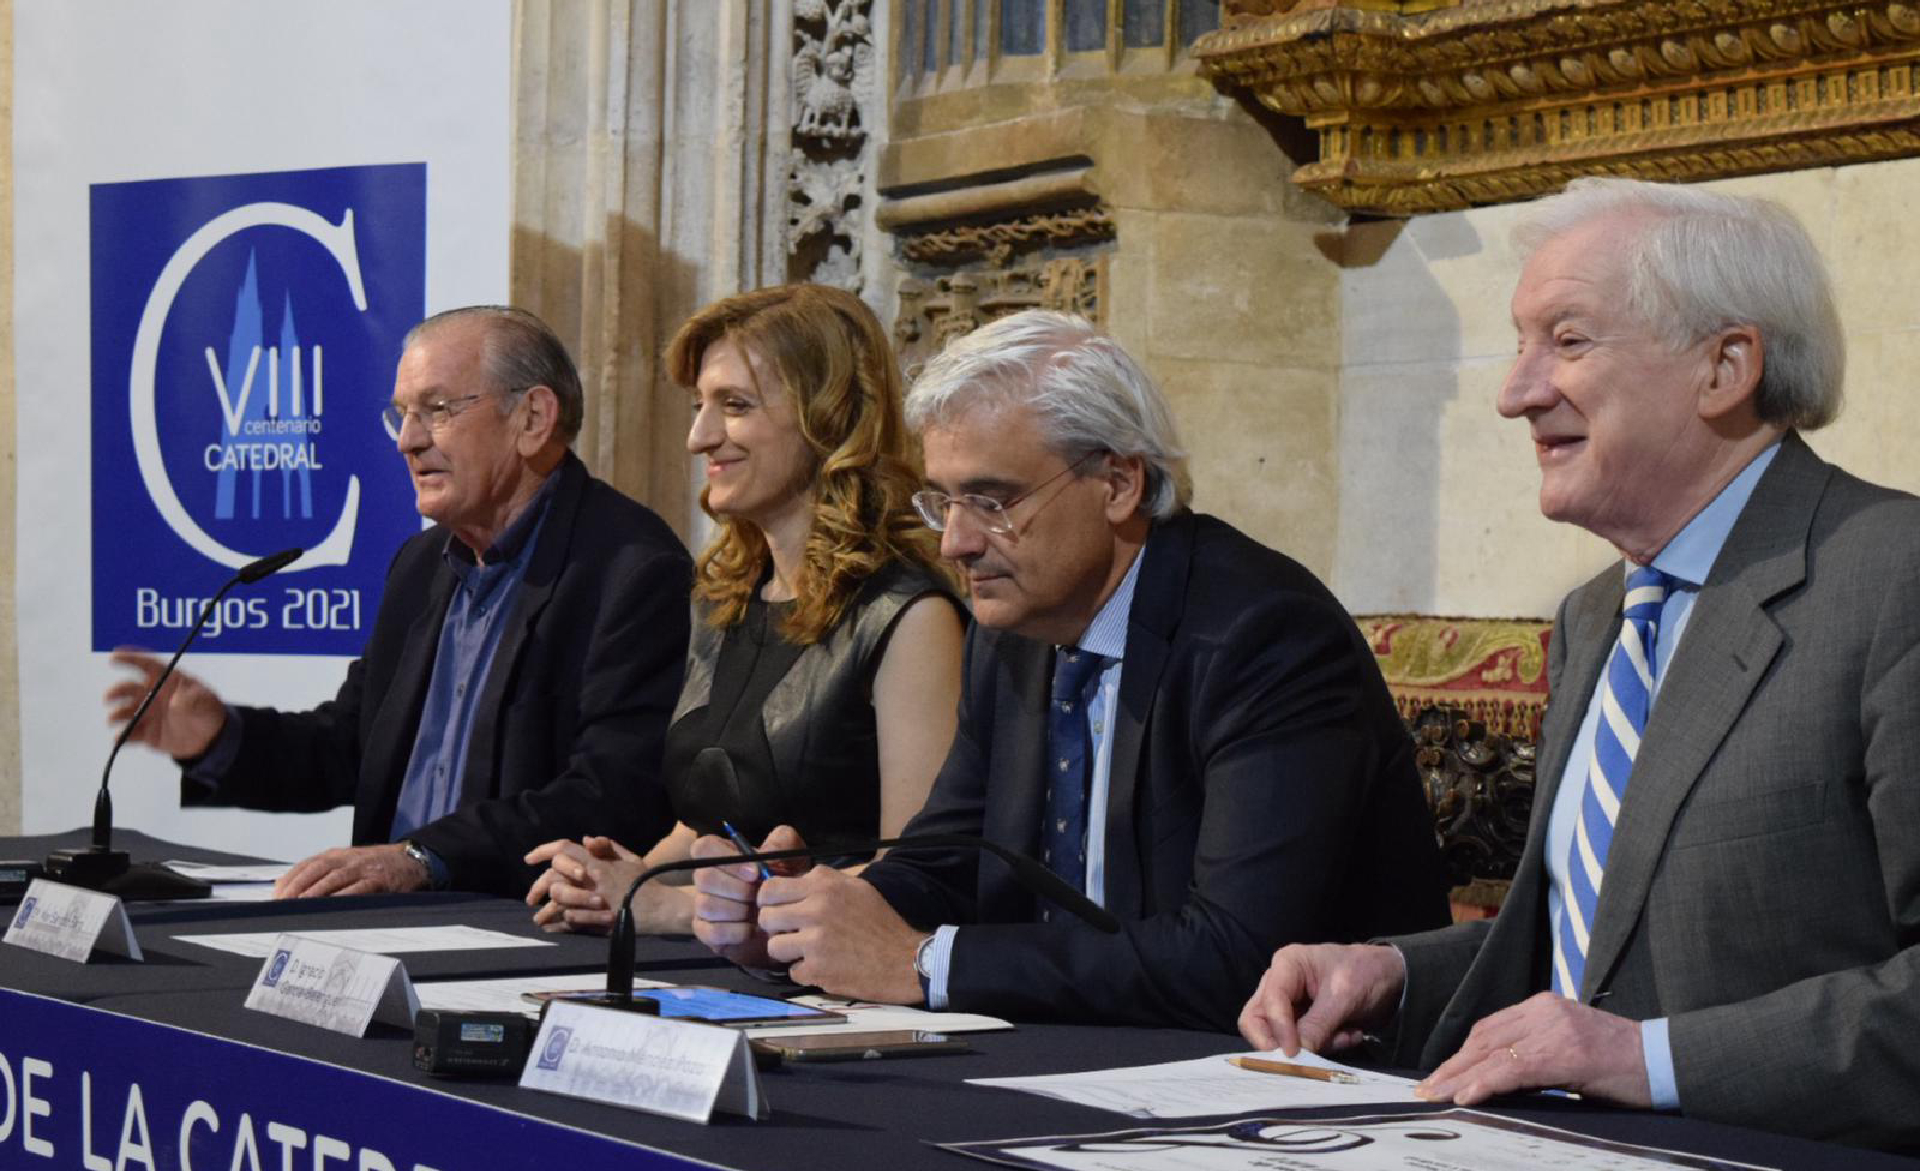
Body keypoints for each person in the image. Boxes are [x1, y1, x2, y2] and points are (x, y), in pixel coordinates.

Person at [1238, 178, 1920, 1149]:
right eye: (1522, 345)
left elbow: (1625, 1031)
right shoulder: (1598, 615)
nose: (1516, 393)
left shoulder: (1893, 578)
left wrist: (1648, 1062)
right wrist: (1390, 975)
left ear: (1725, 367)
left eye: (1568, 341)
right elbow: (1602, 959)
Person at [688, 309, 1449, 1031]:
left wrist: (923, 963)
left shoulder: (1261, 634)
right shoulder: (1014, 626)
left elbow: (1237, 955)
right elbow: (946, 859)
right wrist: (808, 922)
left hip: (1295, 1075)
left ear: (1118, 483)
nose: (955, 543)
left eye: (991, 500)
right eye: (944, 501)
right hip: (1087, 1046)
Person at [103, 306, 693, 898]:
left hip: (525, 929)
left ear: (534, 418)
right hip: (388, 927)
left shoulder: (629, 567)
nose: (408, 441)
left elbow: (610, 792)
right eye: (402, 415)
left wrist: (426, 857)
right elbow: (349, 748)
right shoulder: (419, 566)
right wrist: (221, 738)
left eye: (436, 410)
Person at [523, 283, 965, 934]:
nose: (699, 438)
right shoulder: (723, 597)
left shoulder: (910, 616)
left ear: (830, 416)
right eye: (699, 406)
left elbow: (916, 874)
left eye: (734, 406)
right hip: (714, 975)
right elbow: (701, 828)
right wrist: (620, 879)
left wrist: (671, 910)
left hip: (843, 995)